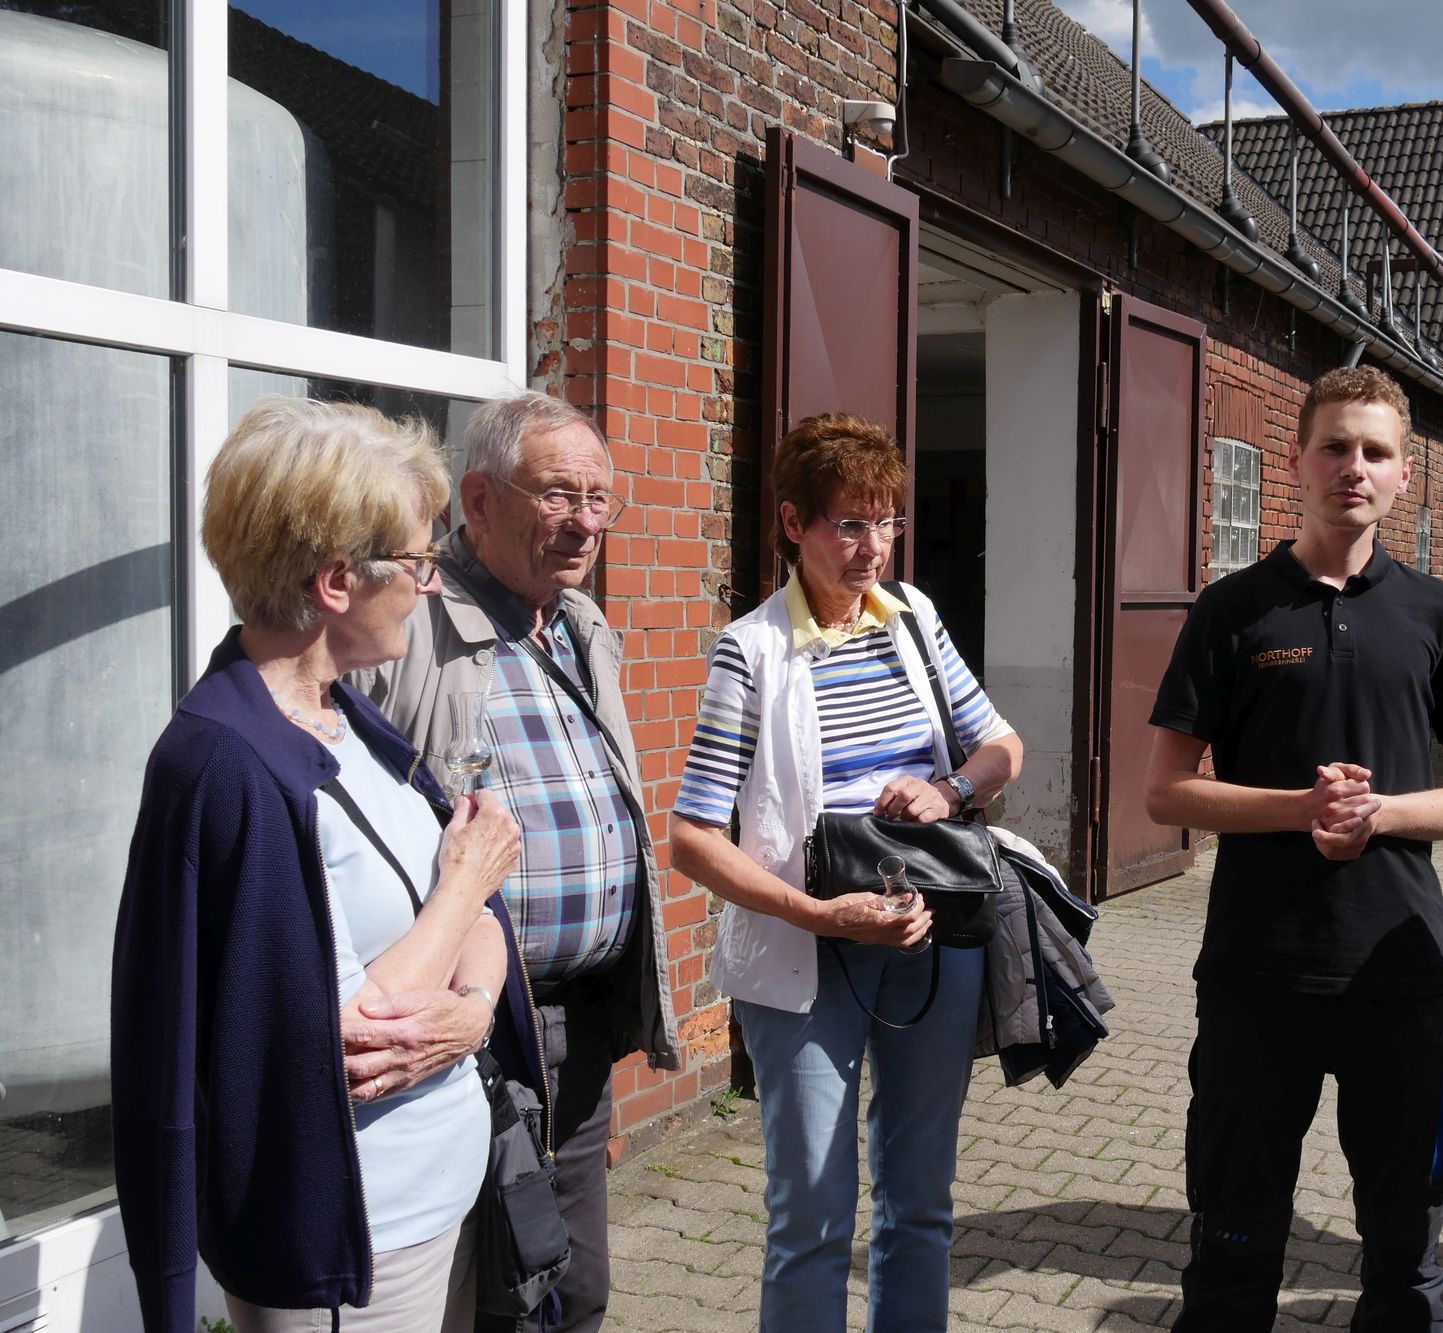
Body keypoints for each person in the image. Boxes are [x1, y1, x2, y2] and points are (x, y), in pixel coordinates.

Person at [110, 398, 531, 1333]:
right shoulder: (226, 764)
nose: (431, 584)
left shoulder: (349, 719)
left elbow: (480, 928)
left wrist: (469, 1011)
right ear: (338, 580)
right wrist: (465, 882)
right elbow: (340, 1039)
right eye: (419, 561)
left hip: (438, 1198)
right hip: (350, 1245)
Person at [1145, 365, 1443, 1332]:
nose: (1355, 467)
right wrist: (1301, 807)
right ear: (1299, 461)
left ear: (1404, 476)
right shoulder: (1233, 609)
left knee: (1406, 1258)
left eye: (1376, 452)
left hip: (1399, 972)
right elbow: (1166, 789)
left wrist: (1377, 815)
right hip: (1257, 973)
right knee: (1233, 1247)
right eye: (1335, 446)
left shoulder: (1439, 613)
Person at [668, 412, 1024, 1332]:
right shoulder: (750, 650)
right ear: (794, 523)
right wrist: (827, 915)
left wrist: (949, 788)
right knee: (813, 1218)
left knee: (921, 1202)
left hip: (931, 939)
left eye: (887, 522)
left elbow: (1002, 746)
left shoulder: (914, 619)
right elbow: (693, 837)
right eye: (851, 524)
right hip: (806, 951)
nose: (874, 547)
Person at [351, 390, 681, 1333]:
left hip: (576, 1024)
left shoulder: (579, 624)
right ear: (480, 500)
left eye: (600, 498)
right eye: (559, 495)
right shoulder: (407, 623)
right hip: (468, 1021)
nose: (585, 522)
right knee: (485, 1292)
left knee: (570, 1289)